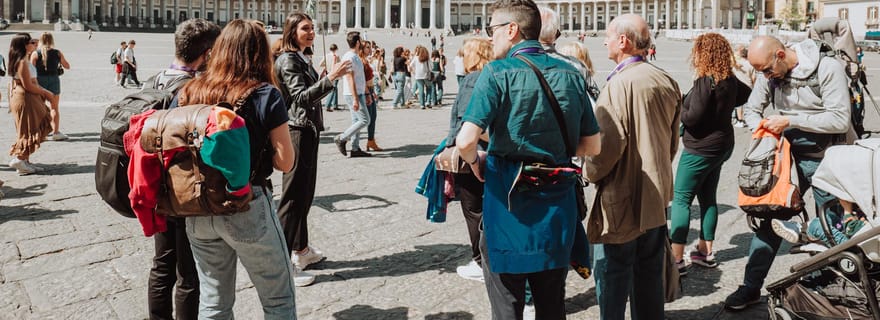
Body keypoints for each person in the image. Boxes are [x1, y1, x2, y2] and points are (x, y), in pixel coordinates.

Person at [455, 0, 601, 317]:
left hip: (508, 210)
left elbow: (465, 140)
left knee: (507, 303)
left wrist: (476, 162)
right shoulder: (571, 73)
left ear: (512, 29)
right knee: (551, 304)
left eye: (493, 29)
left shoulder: (496, 73)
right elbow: (592, 145)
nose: (489, 36)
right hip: (556, 209)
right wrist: (552, 150)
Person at [170, 19, 298, 319]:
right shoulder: (265, 94)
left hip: (199, 207)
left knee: (214, 302)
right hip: (247, 203)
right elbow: (285, 162)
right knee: (278, 300)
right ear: (260, 53)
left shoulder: (189, 90)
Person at [724, 35, 854, 311]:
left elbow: (840, 118)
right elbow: (751, 110)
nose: (764, 77)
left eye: (767, 71)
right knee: (768, 219)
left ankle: (824, 291)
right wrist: (763, 128)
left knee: (829, 226)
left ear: (780, 55)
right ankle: (750, 287)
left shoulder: (827, 67)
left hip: (826, 159)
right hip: (784, 159)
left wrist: (790, 120)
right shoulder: (768, 72)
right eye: (760, 72)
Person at [582, 14, 681, 320]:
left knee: (613, 272)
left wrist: (588, 172)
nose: (604, 41)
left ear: (623, 41)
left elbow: (605, 150)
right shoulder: (665, 79)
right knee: (649, 272)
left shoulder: (618, 85)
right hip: (657, 191)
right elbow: (673, 141)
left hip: (623, 195)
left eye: (608, 36)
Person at [144, 19, 220, 320]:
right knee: (189, 272)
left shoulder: (153, 81)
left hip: (154, 186)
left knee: (162, 265)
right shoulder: (194, 90)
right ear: (207, 53)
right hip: (183, 190)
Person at [274, 13, 352, 288]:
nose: (311, 33)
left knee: (305, 194)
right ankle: (282, 265)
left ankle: (301, 250)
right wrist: (330, 78)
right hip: (296, 131)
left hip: (307, 130)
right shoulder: (287, 60)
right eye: (305, 28)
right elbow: (300, 98)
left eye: (313, 28)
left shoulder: (300, 57)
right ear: (291, 30)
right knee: (292, 198)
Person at [669, 33, 750, 277]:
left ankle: (676, 259)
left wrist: (681, 107)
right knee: (708, 198)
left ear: (703, 54)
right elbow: (746, 94)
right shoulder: (728, 79)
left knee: (682, 199)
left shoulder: (705, 81)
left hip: (700, 149)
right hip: (722, 145)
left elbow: (692, 117)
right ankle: (705, 252)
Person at [446, 37, 493, 282]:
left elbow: (468, 122)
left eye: (464, 54)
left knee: (473, 210)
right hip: (491, 154)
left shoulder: (472, 79)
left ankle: (480, 261)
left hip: (473, 155)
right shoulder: (493, 76)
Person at [7, 33, 53, 175]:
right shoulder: (21, 62)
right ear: (24, 45)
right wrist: (46, 93)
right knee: (28, 129)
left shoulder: (24, 59)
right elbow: (28, 85)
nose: (35, 44)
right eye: (31, 42)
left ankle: (25, 162)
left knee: (30, 126)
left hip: (29, 96)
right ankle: (19, 159)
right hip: (26, 97)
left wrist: (41, 92)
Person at [333, 31, 372, 158]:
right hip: (352, 94)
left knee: (357, 120)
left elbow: (360, 78)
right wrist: (355, 98)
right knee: (365, 120)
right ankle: (342, 138)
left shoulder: (355, 57)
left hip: (358, 93)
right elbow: (350, 78)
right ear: (357, 43)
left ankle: (355, 148)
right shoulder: (349, 57)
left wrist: (367, 94)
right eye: (360, 41)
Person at [31, 32, 70, 141]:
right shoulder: (57, 53)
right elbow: (67, 66)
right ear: (52, 40)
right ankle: (56, 132)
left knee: (40, 107)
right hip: (54, 79)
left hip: (39, 81)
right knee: (54, 107)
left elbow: (31, 70)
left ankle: (40, 133)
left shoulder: (35, 53)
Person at [360, 41, 383, 152]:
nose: (370, 49)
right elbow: (362, 80)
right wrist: (367, 93)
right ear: (362, 49)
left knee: (373, 117)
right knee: (365, 119)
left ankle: (371, 140)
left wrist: (373, 91)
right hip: (366, 91)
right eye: (367, 47)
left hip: (370, 90)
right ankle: (348, 138)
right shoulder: (361, 61)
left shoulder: (366, 60)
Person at [731, 44, 755, 128]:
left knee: (738, 105)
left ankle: (739, 120)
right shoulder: (750, 64)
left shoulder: (735, 63)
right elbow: (753, 77)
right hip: (748, 86)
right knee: (747, 105)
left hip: (737, 85)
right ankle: (746, 120)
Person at [319, 43, 341, 111]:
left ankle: (335, 104)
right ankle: (328, 105)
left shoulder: (327, 55)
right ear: (336, 49)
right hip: (335, 74)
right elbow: (339, 64)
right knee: (333, 89)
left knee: (335, 89)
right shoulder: (336, 56)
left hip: (328, 73)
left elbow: (320, 63)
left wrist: (326, 66)